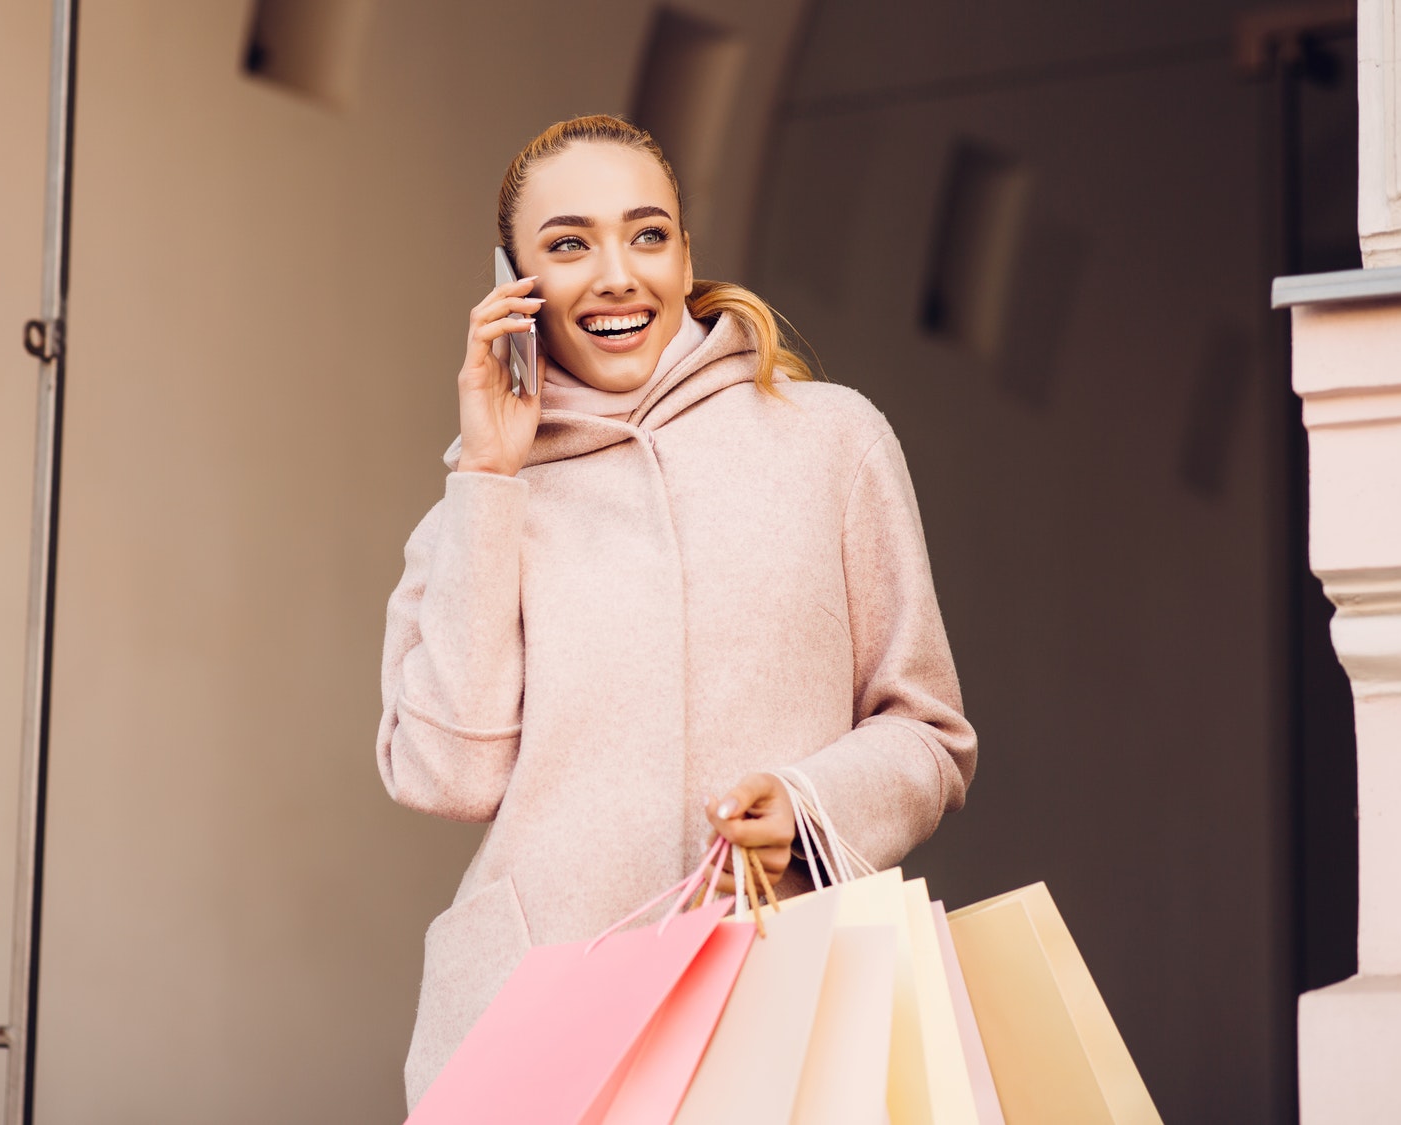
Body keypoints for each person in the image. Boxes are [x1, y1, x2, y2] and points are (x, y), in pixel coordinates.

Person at [375, 114, 976, 1106]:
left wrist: (811, 805)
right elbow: (446, 775)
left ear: (686, 254)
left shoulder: (832, 443)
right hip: (540, 1032)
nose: (615, 274)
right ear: (509, 281)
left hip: (781, 1006)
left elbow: (929, 733)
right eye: (568, 244)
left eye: (645, 234)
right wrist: (488, 471)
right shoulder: (476, 507)